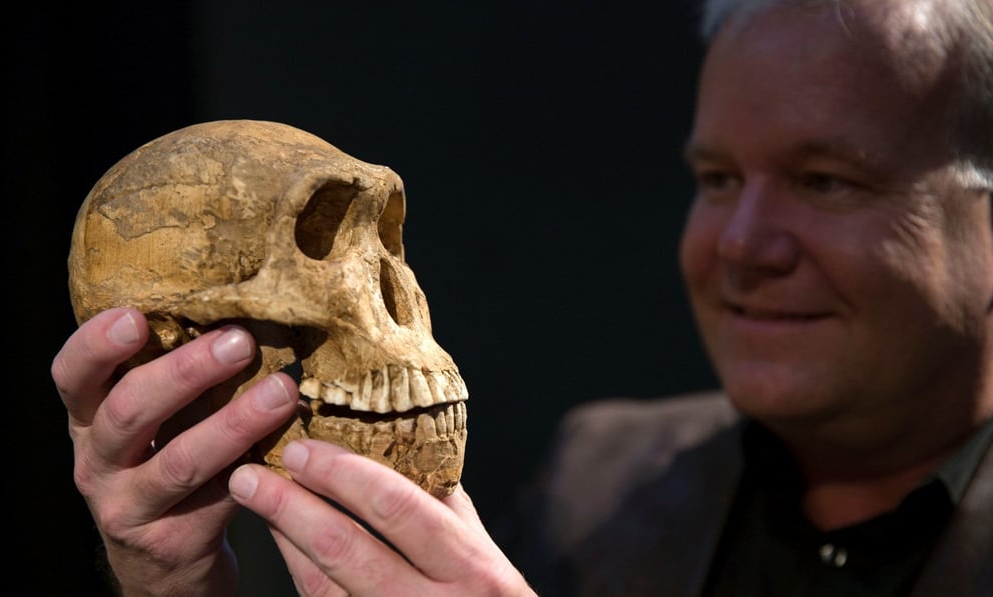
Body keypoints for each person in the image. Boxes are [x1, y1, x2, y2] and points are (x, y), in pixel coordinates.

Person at [51, 0, 993, 594]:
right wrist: (172, 586)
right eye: (715, 179)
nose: (740, 245)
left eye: (827, 180)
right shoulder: (598, 486)